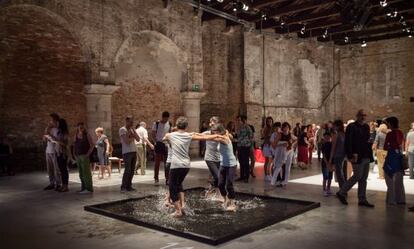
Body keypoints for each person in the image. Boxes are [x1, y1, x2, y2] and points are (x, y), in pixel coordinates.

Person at [163, 116, 219, 217]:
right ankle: (181, 205)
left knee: (172, 186)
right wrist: (218, 136)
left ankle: (178, 211)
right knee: (178, 184)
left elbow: (164, 138)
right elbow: (204, 137)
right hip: (186, 166)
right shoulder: (188, 135)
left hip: (176, 165)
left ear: (177, 125)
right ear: (186, 126)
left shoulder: (170, 135)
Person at [336, 109, 375, 207]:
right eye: (361, 115)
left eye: (365, 115)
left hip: (366, 155)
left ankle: (362, 199)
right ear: (357, 115)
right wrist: (350, 155)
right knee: (357, 176)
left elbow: (366, 140)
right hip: (356, 156)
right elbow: (348, 142)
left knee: (364, 178)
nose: (363, 117)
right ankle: (342, 192)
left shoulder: (366, 126)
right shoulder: (351, 126)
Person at [211, 123, 237, 211]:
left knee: (229, 185)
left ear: (219, 131)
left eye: (215, 132)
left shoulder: (225, 138)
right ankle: (226, 199)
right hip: (223, 164)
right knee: (220, 184)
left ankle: (233, 203)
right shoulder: (223, 135)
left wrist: (209, 137)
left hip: (231, 164)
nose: (214, 133)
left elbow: (217, 139)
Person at [383, 116, 406, 205]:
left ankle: (391, 200)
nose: (386, 125)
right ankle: (400, 199)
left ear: (390, 124)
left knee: (389, 178)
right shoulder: (400, 132)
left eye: (387, 123)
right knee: (399, 180)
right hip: (399, 156)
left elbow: (385, 146)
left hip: (391, 157)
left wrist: (389, 146)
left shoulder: (390, 134)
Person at [119, 116, 140, 192]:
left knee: (132, 170)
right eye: (130, 122)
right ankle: (123, 187)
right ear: (126, 121)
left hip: (134, 151)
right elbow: (126, 141)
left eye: (132, 122)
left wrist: (133, 132)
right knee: (127, 170)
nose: (132, 124)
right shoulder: (122, 129)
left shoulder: (132, 129)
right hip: (127, 152)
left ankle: (129, 186)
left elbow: (138, 139)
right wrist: (133, 137)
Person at [202, 116, 222, 196]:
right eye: (211, 122)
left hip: (219, 158)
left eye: (214, 122)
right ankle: (217, 193)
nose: (212, 124)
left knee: (218, 177)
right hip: (209, 158)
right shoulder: (207, 133)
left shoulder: (221, 133)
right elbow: (198, 135)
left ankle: (211, 190)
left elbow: (229, 137)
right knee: (217, 177)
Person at [73, 122, 94, 194]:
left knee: (86, 173)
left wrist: (88, 154)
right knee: (81, 173)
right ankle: (83, 188)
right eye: (79, 127)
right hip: (78, 156)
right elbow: (74, 145)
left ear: (84, 127)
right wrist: (74, 154)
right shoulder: (76, 135)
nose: (80, 128)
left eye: (82, 127)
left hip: (84, 156)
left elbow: (92, 145)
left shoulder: (87, 135)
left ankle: (89, 188)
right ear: (77, 127)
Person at [152, 111, 172, 185]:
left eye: (167, 119)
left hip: (166, 144)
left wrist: (169, 143)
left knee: (166, 163)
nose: (166, 120)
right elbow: (153, 134)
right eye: (165, 119)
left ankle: (167, 179)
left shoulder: (169, 124)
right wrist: (155, 142)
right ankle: (156, 179)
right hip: (159, 143)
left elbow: (170, 133)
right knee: (157, 162)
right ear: (162, 117)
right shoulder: (156, 124)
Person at [43, 113, 61, 190]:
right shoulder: (49, 129)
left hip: (55, 151)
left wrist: (50, 135)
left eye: (51, 120)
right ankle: (51, 183)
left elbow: (57, 140)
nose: (50, 122)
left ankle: (58, 184)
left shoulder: (58, 130)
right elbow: (44, 139)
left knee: (56, 168)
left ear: (55, 120)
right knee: (49, 169)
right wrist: (46, 135)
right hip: (48, 150)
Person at [270, 122, 292, 187]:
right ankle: (273, 181)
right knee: (278, 166)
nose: (286, 129)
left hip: (289, 151)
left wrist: (291, 144)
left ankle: (285, 181)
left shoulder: (290, 134)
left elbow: (295, 140)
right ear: (282, 128)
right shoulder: (280, 134)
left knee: (288, 167)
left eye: (287, 127)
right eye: (285, 127)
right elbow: (273, 145)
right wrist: (282, 144)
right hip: (281, 151)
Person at [329, 120, 346, 189]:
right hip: (343, 155)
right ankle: (343, 189)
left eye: (334, 125)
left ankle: (343, 190)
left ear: (337, 126)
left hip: (337, 155)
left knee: (339, 174)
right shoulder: (343, 134)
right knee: (341, 173)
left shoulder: (337, 135)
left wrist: (330, 159)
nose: (333, 127)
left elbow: (333, 147)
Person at [54, 119, 70, 192]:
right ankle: (63, 185)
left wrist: (57, 142)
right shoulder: (58, 132)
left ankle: (66, 186)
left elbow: (66, 144)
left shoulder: (65, 133)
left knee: (64, 170)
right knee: (61, 170)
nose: (56, 124)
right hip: (58, 152)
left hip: (63, 153)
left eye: (57, 123)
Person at [236, 115, 253, 183]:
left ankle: (246, 177)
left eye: (239, 120)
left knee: (245, 162)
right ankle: (242, 176)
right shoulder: (239, 128)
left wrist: (250, 145)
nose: (238, 121)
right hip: (240, 146)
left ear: (243, 121)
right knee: (241, 162)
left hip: (245, 146)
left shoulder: (247, 127)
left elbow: (251, 136)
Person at [261, 117, 274, 181]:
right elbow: (265, 137)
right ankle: (266, 175)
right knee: (267, 161)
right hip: (267, 146)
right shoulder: (266, 129)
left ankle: (269, 174)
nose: (269, 122)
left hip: (271, 146)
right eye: (268, 121)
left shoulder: (273, 129)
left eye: (270, 121)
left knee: (270, 161)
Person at [321, 132, 333, 197]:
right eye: (326, 137)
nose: (327, 139)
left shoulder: (331, 144)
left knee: (330, 177)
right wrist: (327, 163)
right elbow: (324, 155)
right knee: (325, 177)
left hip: (330, 162)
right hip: (325, 163)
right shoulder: (324, 145)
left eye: (328, 137)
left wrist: (331, 163)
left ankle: (328, 189)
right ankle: (324, 190)